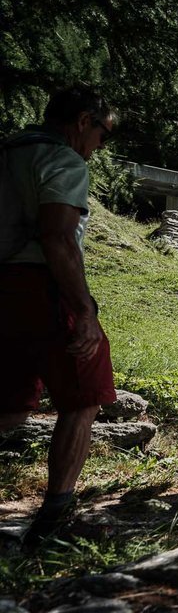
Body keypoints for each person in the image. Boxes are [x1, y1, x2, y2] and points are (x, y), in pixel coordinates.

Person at [0, 85, 119, 547]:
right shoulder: (63, 161)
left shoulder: (7, 152)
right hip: (41, 286)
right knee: (83, 396)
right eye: (103, 134)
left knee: (7, 405)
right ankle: (56, 516)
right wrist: (84, 310)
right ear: (84, 121)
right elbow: (57, 238)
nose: (100, 147)